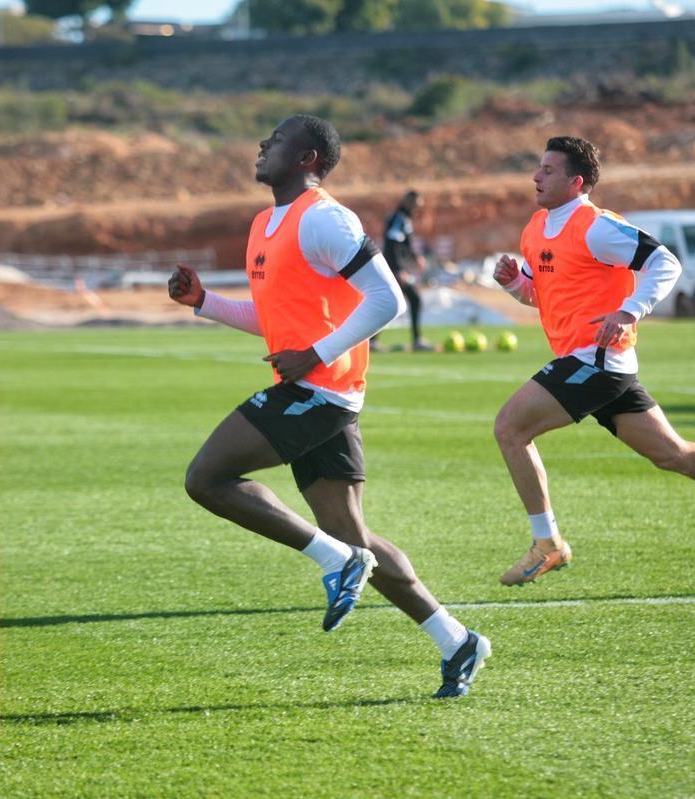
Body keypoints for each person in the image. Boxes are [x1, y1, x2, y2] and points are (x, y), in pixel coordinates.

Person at [168, 115, 490, 699]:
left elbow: (387, 299)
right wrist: (205, 302)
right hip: (316, 391)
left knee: (207, 478)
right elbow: (276, 320)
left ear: (308, 158)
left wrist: (316, 353)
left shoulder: (327, 218)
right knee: (354, 535)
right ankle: (457, 639)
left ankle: (333, 561)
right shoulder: (266, 223)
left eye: (278, 140)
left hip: (320, 392)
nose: (263, 145)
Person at [492, 135, 695, 586]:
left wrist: (628, 311)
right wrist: (514, 283)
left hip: (595, 361)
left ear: (576, 182)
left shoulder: (596, 226)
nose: (537, 176)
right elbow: (546, 299)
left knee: (510, 428)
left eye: (549, 170)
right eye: (538, 167)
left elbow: (666, 263)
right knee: (672, 454)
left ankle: (548, 543)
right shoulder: (536, 228)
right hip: (595, 364)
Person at [370, 190, 432, 353]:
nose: (418, 209)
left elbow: (403, 244)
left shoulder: (403, 219)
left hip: (396, 267)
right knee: (410, 299)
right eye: (416, 205)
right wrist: (398, 269)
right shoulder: (399, 219)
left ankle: (372, 341)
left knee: (395, 302)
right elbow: (392, 244)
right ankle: (416, 340)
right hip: (394, 268)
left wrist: (415, 257)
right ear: (409, 203)